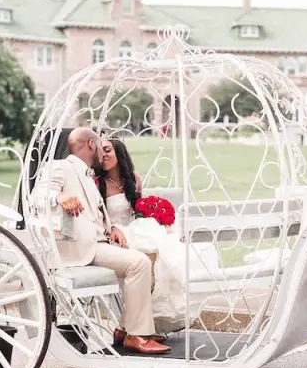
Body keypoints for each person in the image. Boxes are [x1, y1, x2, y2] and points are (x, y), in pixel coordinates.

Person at [35, 127, 171, 354]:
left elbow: (95, 214)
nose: (103, 151)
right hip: (81, 250)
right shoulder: (60, 167)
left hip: (100, 243)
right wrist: (60, 197)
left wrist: (112, 229)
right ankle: (135, 334)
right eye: (100, 145)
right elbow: (37, 195)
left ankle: (126, 330)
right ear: (91, 145)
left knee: (142, 259)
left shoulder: (88, 174)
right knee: (139, 263)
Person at [97, 137, 220, 334]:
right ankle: (129, 328)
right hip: (116, 235)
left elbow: (136, 209)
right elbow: (96, 214)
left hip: (135, 229)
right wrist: (110, 228)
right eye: (100, 151)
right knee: (149, 258)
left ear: (119, 153)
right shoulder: (98, 183)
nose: (103, 155)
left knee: (162, 257)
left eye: (108, 150)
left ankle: (130, 327)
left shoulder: (132, 179)